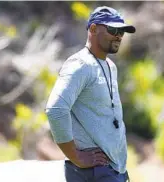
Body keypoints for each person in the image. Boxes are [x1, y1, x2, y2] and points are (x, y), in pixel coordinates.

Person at [45, 6, 136, 182]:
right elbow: (56, 110)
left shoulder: (110, 66)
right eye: (113, 29)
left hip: (113, 170)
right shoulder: (80, 64)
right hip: (93, 172)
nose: (118, 35)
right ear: (93, 29)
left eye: (122, 31)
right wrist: (75, 156)